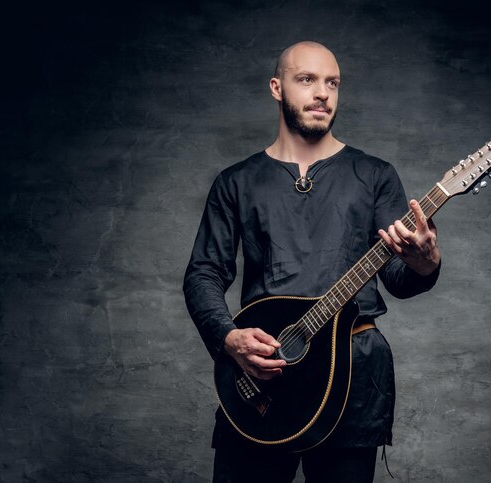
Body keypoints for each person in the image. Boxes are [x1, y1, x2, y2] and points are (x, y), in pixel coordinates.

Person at [183, 41, 441, 483]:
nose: (323, 93)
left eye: (332, 83)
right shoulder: (236, 182)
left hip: (352, 375)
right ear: (276, 88)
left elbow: (398, 277)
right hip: (265, 372)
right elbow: (204, 273)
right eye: (307, 80)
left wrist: (424, 261)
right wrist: (228, 339)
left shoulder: (375, 175)